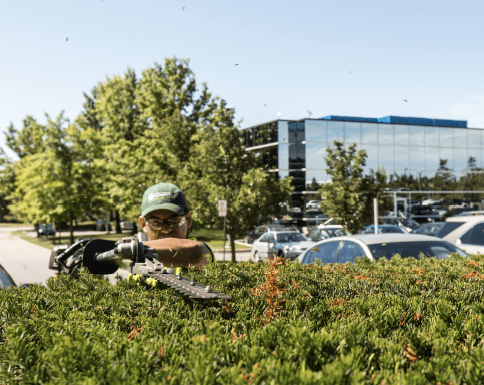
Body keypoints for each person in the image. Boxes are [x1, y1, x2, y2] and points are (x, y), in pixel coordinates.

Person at [138, 182, 213, 268]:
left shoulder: (199, 251)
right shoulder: (138, 266)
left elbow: (198, 254)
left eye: (174, 220)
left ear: (188, 219)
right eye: (156, 222)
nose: (166, 229)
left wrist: (135, 249)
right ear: (143, 224)